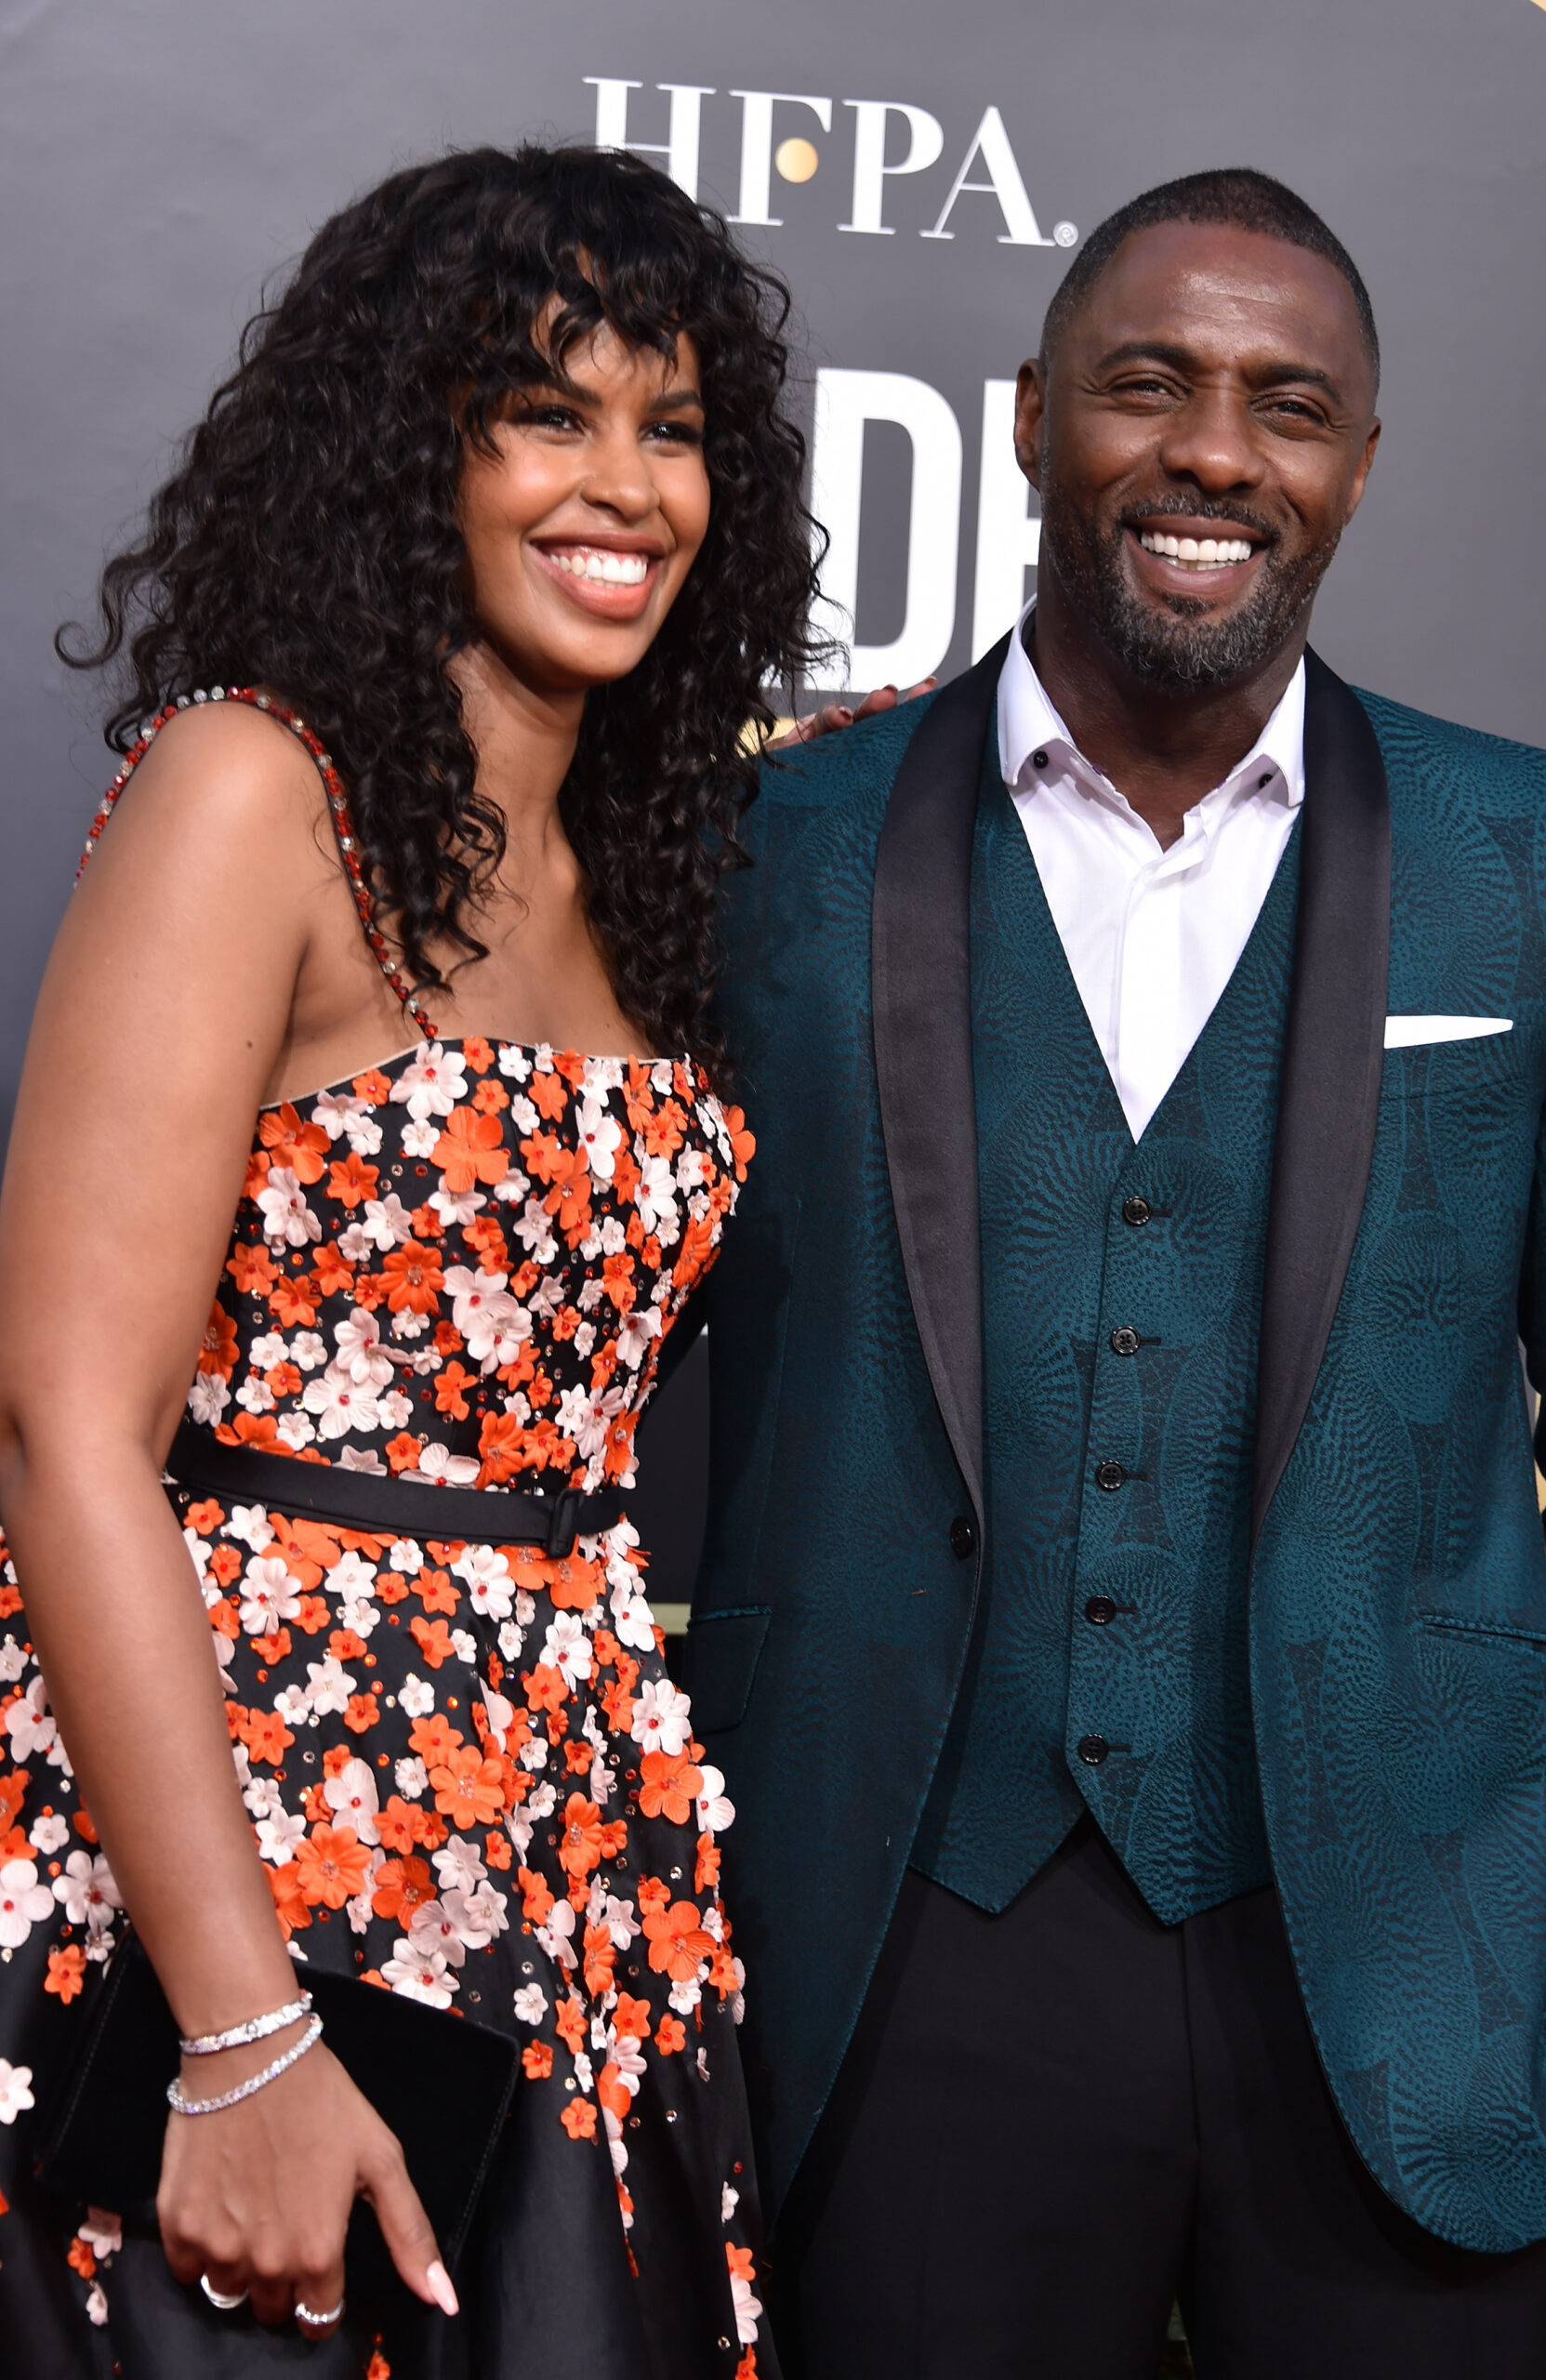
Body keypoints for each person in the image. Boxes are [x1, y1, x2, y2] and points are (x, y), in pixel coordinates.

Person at [672, 168, 1546, 2377]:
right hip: (905, 1936)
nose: (1217, 450)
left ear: (1357, 464)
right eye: (1151, 384)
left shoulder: (1544, 869)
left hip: (1423, 1960)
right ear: (1034, 414)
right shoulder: (771, 849)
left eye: (1289, 404)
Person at [0, 142, 819, 2378]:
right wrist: (242, 2031)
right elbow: (69, 1427)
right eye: (547, 412)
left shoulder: (640, 851)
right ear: (412, 451)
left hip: (577, 1853)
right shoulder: (256, 789)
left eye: (674, 428)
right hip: (247, 1835)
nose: (625, 485)